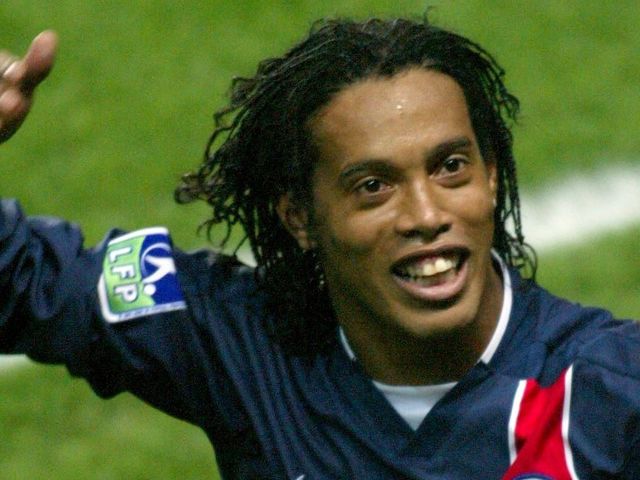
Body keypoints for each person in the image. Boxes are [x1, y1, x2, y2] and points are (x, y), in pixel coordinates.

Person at [1, 16, 639, 480]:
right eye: (373, 186)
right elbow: (25, 281)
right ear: (300, 217)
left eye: (450, 167)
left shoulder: (612, 390)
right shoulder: (243, 341)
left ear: (491, 176)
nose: (426, 215)